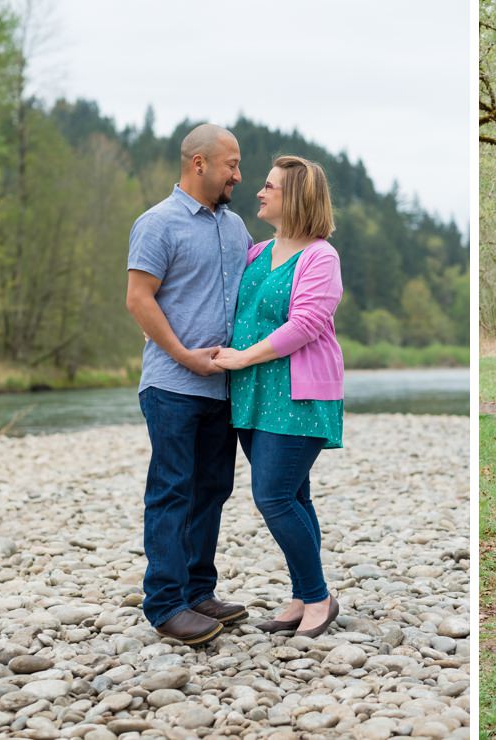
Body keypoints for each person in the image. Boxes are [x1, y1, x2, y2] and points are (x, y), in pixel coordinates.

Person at [125, 123, 253, 646]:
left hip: (221, 388)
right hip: (172, 384)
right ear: (198, 163)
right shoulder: (157, 223)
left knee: (212, 491)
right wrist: (183, 357)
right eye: (231, 164)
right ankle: (165, 604)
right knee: (173, 490)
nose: (238, 175)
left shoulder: (237, 226)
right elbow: (138, 298)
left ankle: (199, 592)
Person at [212, 155, 345, 638]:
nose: (259, 192)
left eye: (270, 187)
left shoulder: (319, 257)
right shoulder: (255, 253)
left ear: (296, 197)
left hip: (298, 392)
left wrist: (244, 358)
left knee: (272, 495)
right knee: (293, 495)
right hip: (252, 394)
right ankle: (302, 593)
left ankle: (317, 599)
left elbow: (307, 325)